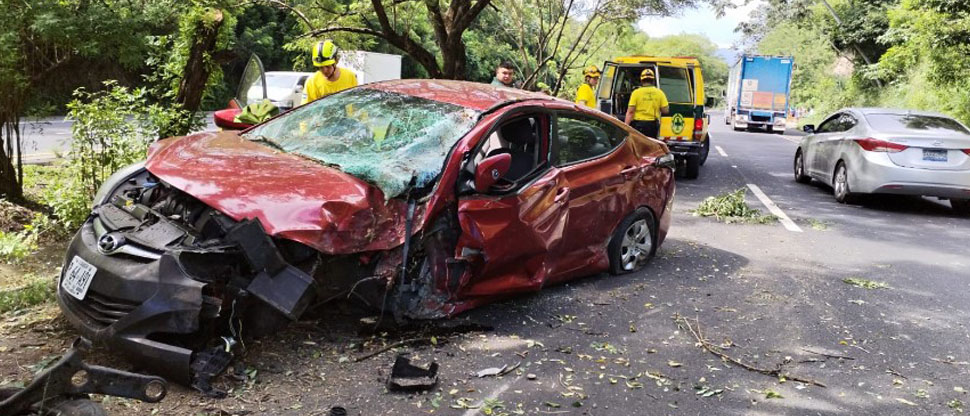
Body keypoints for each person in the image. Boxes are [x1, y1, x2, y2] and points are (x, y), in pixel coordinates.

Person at [303, 40, 358, 105]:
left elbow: (357, 104)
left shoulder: (349, 77)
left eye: (327, 66)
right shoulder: (312, 82)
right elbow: (306, 109)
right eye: (320, 67)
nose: (324, 71)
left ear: (336, 61)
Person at [624, 68, 669, 139]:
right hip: (652, 125)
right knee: (651, 146)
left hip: (639, 125)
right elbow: (665, 110)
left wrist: (625, 127)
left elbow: (630, 112)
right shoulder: (660, 93)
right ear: (653, 80)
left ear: (641, 80)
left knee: (639, 145)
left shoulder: (636, 93)